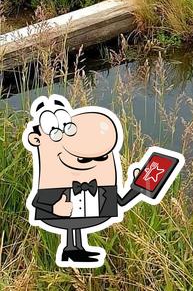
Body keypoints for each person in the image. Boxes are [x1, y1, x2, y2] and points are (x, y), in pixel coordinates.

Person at [22, 94, 180, 268]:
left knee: (76, 227)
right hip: (60, 217)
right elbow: (37, 203)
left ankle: (76, 249)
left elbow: (120, 202)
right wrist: (54, 208)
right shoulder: (53, 185)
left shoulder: (102, 189)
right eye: (83, 159)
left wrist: (140, 186)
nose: (92, 162)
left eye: (103, 157)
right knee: (71, 226)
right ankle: (71, 250)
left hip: (90, 215)